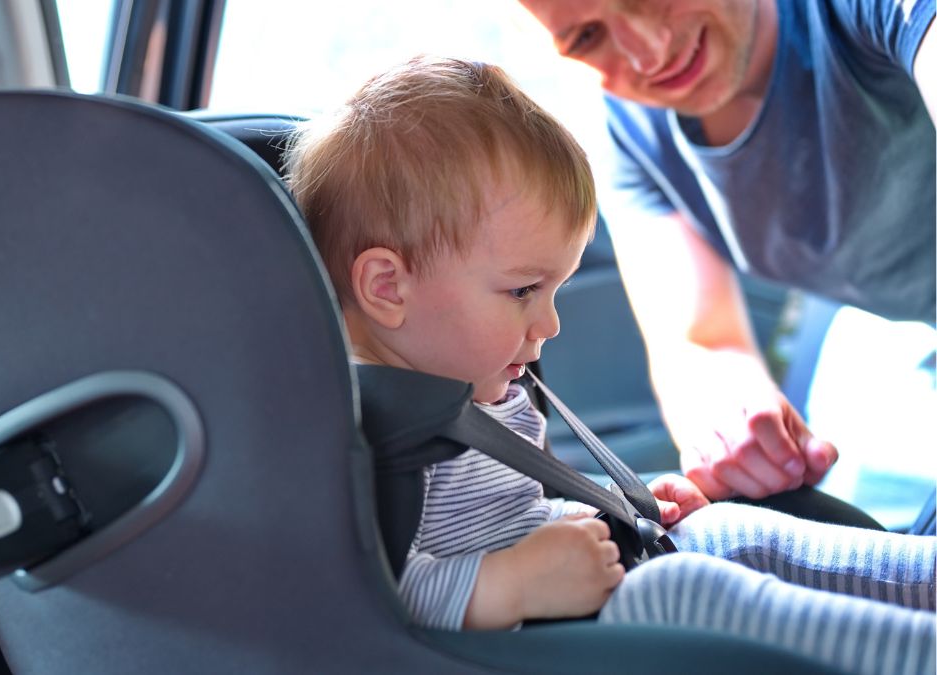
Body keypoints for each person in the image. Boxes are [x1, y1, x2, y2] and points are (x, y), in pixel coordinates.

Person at [284, 54, 936, 674]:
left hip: (578, 578)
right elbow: (365, 599)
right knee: (688, 588)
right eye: (521, 291)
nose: (550, 324)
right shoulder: (367, 434)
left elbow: (516, 509)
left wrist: (613, 506)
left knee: (730, 530)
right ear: (388, 288)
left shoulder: (474, 384)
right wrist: (510, 583)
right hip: (528, 635)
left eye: (553, 291)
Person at [511, 0, 936, 510]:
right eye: (586, 38)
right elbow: (703, 344)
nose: (649, 54)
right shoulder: (630, 131)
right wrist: (739, 434)